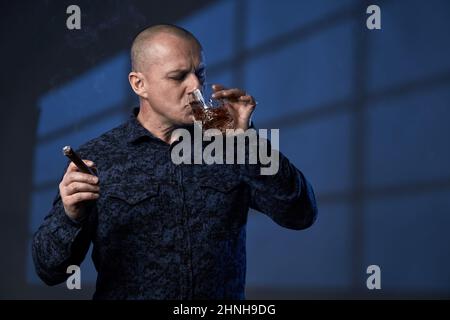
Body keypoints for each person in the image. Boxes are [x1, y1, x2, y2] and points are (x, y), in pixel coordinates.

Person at [32, 24, 318, 299]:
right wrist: (70, 217)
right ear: (139, 84)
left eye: (199, 73)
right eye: (178, 76)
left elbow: (300, 215)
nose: (195, 86)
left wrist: (250, 141)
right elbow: (50, 270)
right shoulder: (99, 159)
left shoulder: (231, 144)